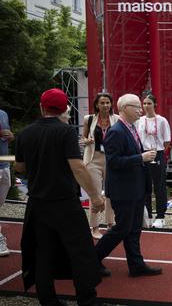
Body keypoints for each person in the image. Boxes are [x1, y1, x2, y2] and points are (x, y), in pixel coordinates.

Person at [15, 88, 105, 305]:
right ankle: (86, 299)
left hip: (37, 203)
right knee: (80, 251)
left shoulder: (25, 133)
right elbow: (77, 166)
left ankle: (48, 300)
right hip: (64, 202)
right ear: (65, 108)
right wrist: (95, 196)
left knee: (42, 253)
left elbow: (19, 167)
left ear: (41, 107)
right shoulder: (65, 132)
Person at [94, 93, 163, 277]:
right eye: (136, 106)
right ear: (124, 109)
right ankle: (92, 259)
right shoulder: (116, 131)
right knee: (122, 228)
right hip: (123, 190)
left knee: (133, 229)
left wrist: (141, 157)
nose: (141, 110)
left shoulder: (130, 128)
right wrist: (140, 157)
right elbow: (114, 162)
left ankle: (136, 264)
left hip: (134, 188)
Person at [82, 92, 118, 240]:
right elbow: (83, 138)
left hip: (111, 159)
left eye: (108, 103)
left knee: (111, 193)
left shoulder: (117, 119)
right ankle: (94, 227)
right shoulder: (89, 119)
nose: (105, 106)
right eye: (102, 103)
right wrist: (87, 140)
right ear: (97, 105)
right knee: (95, 193)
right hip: (93, 158)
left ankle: (111, 224)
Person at [137, 94, 171, 229]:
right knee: (145, 185)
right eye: (144, 103)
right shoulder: (139, 120)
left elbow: (167, 140)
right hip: (143, 154)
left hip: (157, 154)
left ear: (155, 105)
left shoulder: (162, 121)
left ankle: (161, 216)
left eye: (149, 103)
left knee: (159, 186)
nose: (146, 106)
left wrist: (159, 152)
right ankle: (148, 215)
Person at [0, 108, 14, 257]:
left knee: (0, 202)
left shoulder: (3, 114)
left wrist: (10, 136)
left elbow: (7, 136)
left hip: (4, 164)